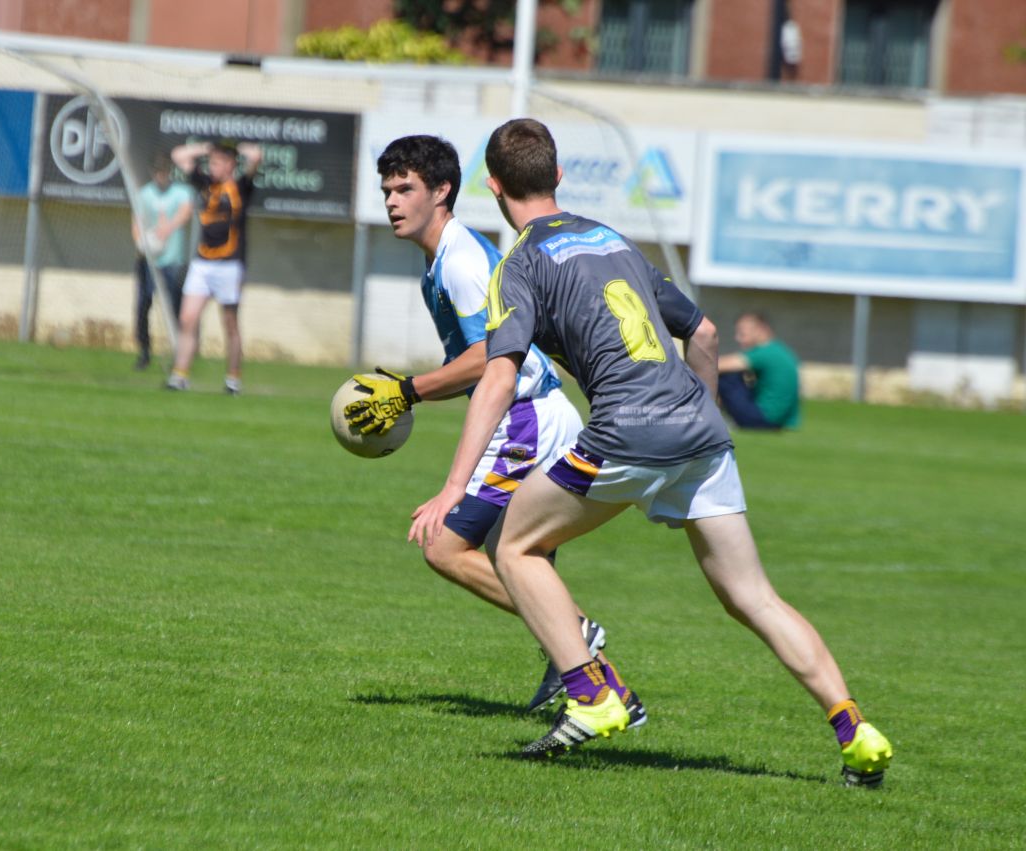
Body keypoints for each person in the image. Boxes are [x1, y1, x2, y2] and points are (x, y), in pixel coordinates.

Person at [409, 118, 892, 785]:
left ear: (491, 185)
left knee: (515, 547)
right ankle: (854, 727)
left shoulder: (519, 262)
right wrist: (702, 413)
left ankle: (593, 693)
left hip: (625, 430)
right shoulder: (614, 240)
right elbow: (706, 332)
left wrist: (453, 485)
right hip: (699, 431)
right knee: (753, 595)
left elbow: (498, 375)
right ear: (558, 177)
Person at [344, 135, 645, 719]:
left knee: (445, 546)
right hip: (536, 412)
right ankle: (605, 692)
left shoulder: (458, 260)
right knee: (522, 555)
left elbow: (487, 357)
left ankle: (578, 634)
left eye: (405, 188)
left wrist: (407, 392)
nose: (392, 201)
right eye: (387, 190)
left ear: (442, 191)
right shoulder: (444, 256)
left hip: (525, 417)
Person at [165, 140, 262, 395]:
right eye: (211, 163)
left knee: (230, 322)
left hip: (229, 265)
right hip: (202, 262)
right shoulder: (206, 183)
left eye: (218, 163)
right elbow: (178, 154)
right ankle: (180, 375)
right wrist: (207, 148)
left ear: (230, 165)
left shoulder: (240, 186)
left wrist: (237, 149)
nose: (212, 167)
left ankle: (233, 378)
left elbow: (256, 157)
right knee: (187, 318)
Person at [131, 151, 194, 371]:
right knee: (143, 305)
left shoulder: (181, 192)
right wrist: (142, 244)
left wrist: (167, 228)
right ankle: (144, 352)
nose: (161, 175)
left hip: (173, 261)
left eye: (165, 171)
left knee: (176, 308)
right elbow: (137, 223)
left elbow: (186, 213)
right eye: (157, 171)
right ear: (152, 172)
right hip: (149, 262)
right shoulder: (144, 195)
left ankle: (180, 354)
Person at [717, 311, 801, 429]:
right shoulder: (780, 350)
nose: (737, 338)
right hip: (782, 421)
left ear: (760, 330)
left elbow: (718, 365)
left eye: (742, 334)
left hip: (764, 418)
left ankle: (711, 417)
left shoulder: (765, 352)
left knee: (726, 376)